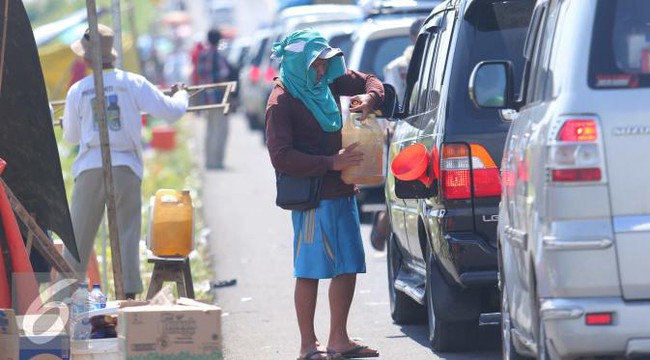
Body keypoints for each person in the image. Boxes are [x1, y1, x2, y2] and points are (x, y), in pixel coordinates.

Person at [266, 29, 384, 360]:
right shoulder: (281, 102)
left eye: (323, 64)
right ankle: (307, 345)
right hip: (311, 198)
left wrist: (370, 99)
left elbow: (372, 81)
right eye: (316, 65)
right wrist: (330, 162)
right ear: (299, 64)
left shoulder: (328, 82)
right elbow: (281, 157)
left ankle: (338, 339)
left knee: (347, 265)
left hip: (342, 190)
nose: (321, 71)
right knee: (310, 270)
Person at [61, 24, 189, 300]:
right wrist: (181, 94)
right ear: (112, 55)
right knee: (127, 237)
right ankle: (128, 299)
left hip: (90, 166)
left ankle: (62, 301)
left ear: (86, 59)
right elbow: (172, 112)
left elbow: (71, 136)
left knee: (77, 240)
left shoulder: (78, 90)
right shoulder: (133, 83)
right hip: (126, 167)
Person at [370, 17, 426, 252]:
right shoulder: (397, 68)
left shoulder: (438, 61)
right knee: (399, 191)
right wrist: (388, 129)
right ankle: (384, 223)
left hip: (427, 133)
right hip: (402, 135)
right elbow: (388, 104)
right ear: (414, 39)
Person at [197, 28, 231, 169]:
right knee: (221, 130)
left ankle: (209, 161)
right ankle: (218, 162)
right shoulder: (219, 56)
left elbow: (199, 73)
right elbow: (224, 74)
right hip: (219, 98)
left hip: (206, 98)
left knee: (210, 130)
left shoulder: (203, 55)